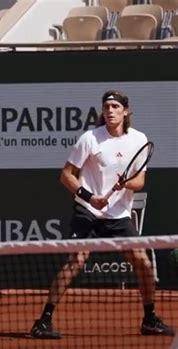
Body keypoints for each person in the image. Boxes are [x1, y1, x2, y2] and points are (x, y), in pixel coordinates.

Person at [30, 90, 175, 338]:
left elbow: (139, 181)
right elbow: (66, 175)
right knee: (76, 261)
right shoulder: (90, 138)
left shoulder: (139, 139)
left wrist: (126, 183)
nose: (109, 110)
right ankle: (43, 321)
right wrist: (90, 198)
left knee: (142, 262)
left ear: (126, 111)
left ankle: (150, 318)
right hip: (87, 211)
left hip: (119, 215)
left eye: (115, 106)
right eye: (106, 106)